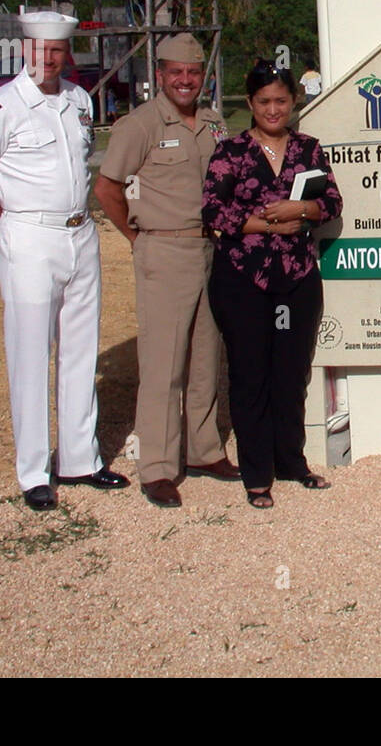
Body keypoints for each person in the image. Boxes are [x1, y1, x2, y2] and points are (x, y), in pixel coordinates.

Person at [0, 10, 128, 511]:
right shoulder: (2, 106)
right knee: (30, 354)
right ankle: (34, 472)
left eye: (56, 51)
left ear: (65, 54)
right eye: (38, 50)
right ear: (24, 50)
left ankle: (80, 459)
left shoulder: (77, 99)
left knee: (80, 348)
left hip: (79, 232)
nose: (47, 59)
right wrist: (6, 221)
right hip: (29, 236)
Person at [94, 32, 240, 508]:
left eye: (193, 72)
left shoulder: (214, 123)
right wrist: (138, 240)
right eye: (175, 72)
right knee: (163, 366)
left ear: (203, 76)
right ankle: (157, 466)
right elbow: (107, 188)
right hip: (162, 250)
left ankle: (203, 451)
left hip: (208, 249)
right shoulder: (139, 125)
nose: (184, 80)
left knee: (204, 359)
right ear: (160, 75)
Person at [202, 62, 343, 508]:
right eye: (264, 101)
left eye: (281, 100)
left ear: (293, 102)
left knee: (290, 372)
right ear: (250, 104)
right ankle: (256, 474)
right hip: (243, 279)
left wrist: (301, 212)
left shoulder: (309, 149)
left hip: (297, 278)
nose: (273, 108)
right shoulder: (231, 152)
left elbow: (333, 202)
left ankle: (291, 462)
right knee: (250, 375)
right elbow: (211, 210)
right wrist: (266, 222)